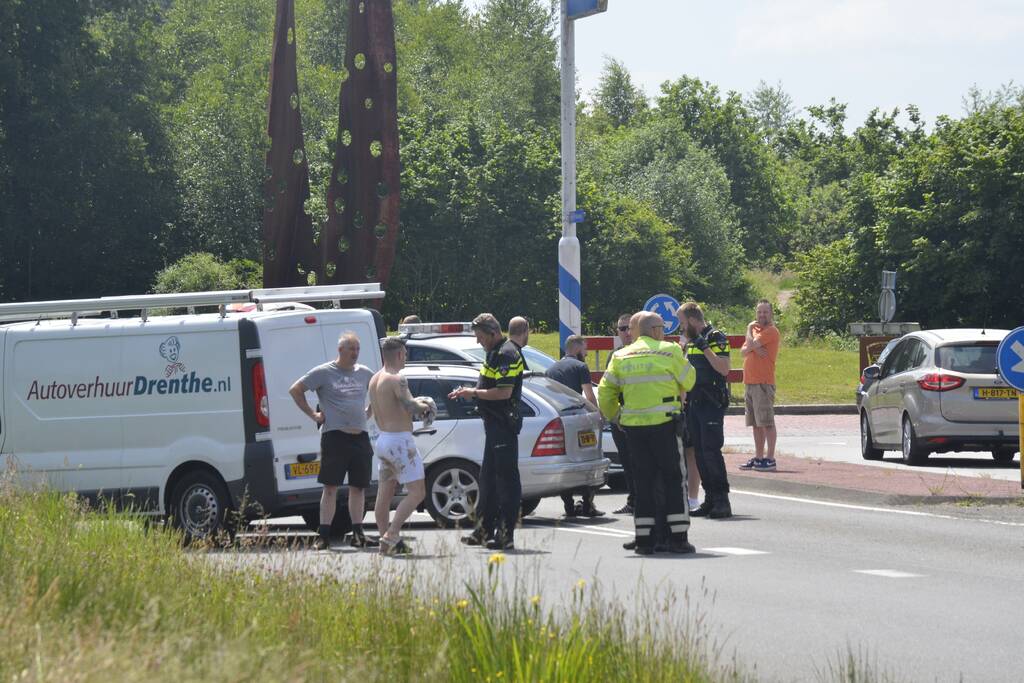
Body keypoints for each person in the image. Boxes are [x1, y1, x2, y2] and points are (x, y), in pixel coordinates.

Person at [598, 311, 696, 555]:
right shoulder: (669, 350)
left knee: (643, 482)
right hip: (665, 425)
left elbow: (604, 393)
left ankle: (644, 540)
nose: (664, 331)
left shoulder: (621, 355)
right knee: (674, 479)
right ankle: (678, 538)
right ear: (654, 329)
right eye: (662, 327)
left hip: (634, 430)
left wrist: (617, 416)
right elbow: (690, 380)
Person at [289, 332, 377, 550]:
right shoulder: (325, 372)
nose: (355, 353)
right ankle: (324, 536)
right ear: (340, 350)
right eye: (351, 349)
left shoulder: (365, 373)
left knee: (358, 487)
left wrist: (369, 412)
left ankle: (358, 533)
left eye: (357, 349)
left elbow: (378, 391)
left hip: (360, 437)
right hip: (335, 437)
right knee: (330, 488)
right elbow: (296, 390)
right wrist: (314, 415)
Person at [449, 313, 525, 550]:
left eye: (480, 337)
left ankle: (505, 535)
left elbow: (503, 393)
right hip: (493, 425)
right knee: (488, 480)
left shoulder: (507, 353)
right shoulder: (494, 352)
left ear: (493, 333)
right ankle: (483, 531)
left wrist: (472, 393)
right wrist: (471, 392)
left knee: (506, 481)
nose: (478, 342)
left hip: (503, 424)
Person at [369, 337, 433, 556]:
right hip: (400, 442)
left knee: (384, 494)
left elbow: (369, 412)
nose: (405, 357)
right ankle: (392, 533)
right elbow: (411, 405)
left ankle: (385, 539)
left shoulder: (375, 378)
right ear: (398, 354)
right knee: (418, 492)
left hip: (383, 439)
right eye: (404, 354)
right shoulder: (397, 378)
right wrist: (427, 404)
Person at [679, 302, 733, 519]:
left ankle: (722, 500)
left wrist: (704, 347)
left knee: (711, 452)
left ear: (692, 320)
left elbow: (724, 368)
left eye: (682, 323)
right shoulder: (690, 341)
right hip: (694, 402)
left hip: (711, 402)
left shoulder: (716, 336)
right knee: (699, 453)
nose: (681, 327)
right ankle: (709, 499)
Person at [546, 334, 604, 518]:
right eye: (585, 349)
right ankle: (587, 504)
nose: (586, 353)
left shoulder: (551, 369)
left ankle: (569, 507)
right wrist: (597, 414)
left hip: (561, 420)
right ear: (578, 348)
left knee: (567, 461)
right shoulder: (580, 366)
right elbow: (589, 394)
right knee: (588, 460)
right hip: (580, 420)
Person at [740, 299, 781, 472]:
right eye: (759, 312)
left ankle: (770, 458)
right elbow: (743, 351)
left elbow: (750, 345)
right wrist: (753, 346)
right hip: (750, 382)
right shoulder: (756, 331)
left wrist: (749, 329)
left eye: (765, 312)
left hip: (763, 383)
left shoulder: (771, 331)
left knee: (767, 422)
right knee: (756, 423)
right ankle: (758, 457)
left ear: (771, 313)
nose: (761, 315)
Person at [607, 313, 636, 516]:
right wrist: (615, 416)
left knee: (641, 463)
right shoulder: (615, 355)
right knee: (626, 462)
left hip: (641, 419)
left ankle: (645, 501)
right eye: (621, 329)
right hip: (621, 419)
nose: (625, 332)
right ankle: (633, 500)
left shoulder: (644, 352)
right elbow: (608, 389)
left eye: (628, 328)